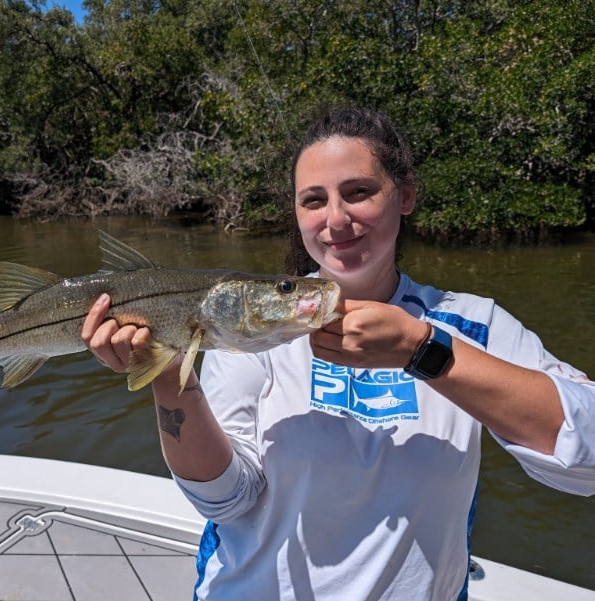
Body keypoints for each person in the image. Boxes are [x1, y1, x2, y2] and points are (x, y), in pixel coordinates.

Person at [81, 107, 595, 600]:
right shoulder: (250, 327)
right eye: (313, 200)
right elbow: (225, 501)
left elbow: (585, 464)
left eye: (359, 192)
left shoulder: (469, 324)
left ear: (406, 195)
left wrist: (423, 350)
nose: (336, 219)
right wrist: (172, 377)